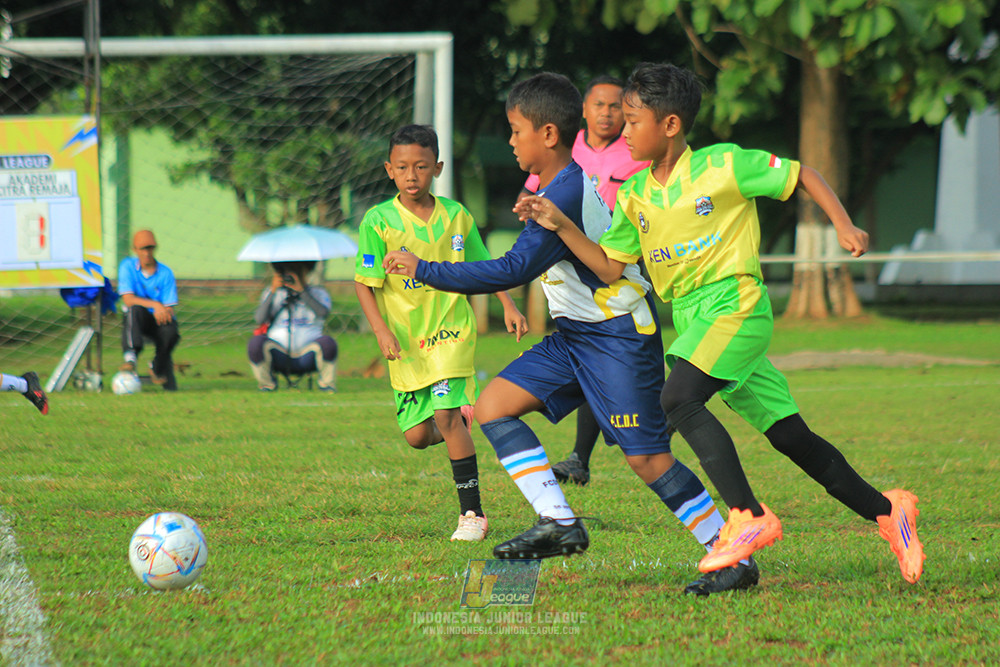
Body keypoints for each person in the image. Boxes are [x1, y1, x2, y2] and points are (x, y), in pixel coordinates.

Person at [516, 62, 924, 584]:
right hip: (693, 319)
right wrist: (561, 224)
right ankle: (890, 512)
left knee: (678, 398)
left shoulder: (723, 165)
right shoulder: (636, 194)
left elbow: (802, 174)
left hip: (736, 304)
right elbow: (609, 267)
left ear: (670, 125)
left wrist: (843, 225)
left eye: (634, 120)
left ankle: (748, 517)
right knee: (791, 437)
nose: (625, 130)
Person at [385, 73, 757, 596]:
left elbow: (512, 269)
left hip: (618, 337)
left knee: (647, 459)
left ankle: (733, 554)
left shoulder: (563, 191)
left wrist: (424, 268)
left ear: (548, 135)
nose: (511, 141)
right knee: (492, 406)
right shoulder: (552, 189)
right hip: (576, 336)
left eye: (516, 130)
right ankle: (559, 523)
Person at [355, 124, 528, 543]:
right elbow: (364, 282)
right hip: (405, 339)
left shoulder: (456, 216)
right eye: (402, 167)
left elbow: (485, 267)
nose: (411, 175)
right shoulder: (378, 221)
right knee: (417, 437)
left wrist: (508, 304)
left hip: (451, 330)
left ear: (437, 168)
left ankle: (472, 514)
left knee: (445, 416)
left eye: (420, 166)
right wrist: (381, 330)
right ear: (389, 170)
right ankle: (459, 421)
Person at [521, 75, 651, 488]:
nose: (607, 113)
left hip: (618, 262)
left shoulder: (636, 151)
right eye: (600, 104)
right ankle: (584, 455)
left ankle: (655, 419)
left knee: (618, 350)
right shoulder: (563, 148)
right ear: (584, 109)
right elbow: (530, 190)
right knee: (589, 350)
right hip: (570, 265)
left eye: (616, 107)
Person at [248, 261, 338, 392]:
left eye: (296, 272)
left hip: (308, 353)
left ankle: (327, 385)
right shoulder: (273, 293)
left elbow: (323, 313)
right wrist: (273, 291)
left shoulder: (318, 293)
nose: (291, 276)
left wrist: (302, 291)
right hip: (279, 352)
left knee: (328, 343)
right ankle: (267, 385)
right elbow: (259, 319)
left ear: (306, 272)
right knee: (256, 343)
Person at [118, 229, 181, 391]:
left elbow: (169, 306)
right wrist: (155, 305)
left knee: (171, 331)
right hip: (140, 320)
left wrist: (164, 310)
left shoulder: (165, 273)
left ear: (155, 248)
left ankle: (157, 366)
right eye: (142, 249)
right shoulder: (127, 267)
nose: (146, 253)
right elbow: (128, 299)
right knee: (133, 310)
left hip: (158, 320)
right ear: (135, 250)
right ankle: (130, 357)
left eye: (150, 248)